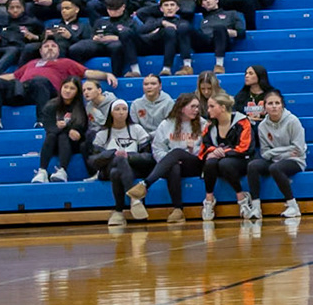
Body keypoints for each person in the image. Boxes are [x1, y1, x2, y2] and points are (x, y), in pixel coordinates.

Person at [0, 38, 112, 130]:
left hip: (47, 92)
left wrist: (106, 75)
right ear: (41, 51)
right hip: (22, 91)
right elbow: (13, 76)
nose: (50, 48)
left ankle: (42, 121)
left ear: (58, 50)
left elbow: (87, 73)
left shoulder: (66, 62)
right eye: (46, 46)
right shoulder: (32, 63)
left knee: (39, 81)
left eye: (53, 46)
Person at [136, 93, 206, 225]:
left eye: (197, 107)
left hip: (195, 163)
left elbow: (207, 150)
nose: (196, 110)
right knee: (174, 165)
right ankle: (178, 210)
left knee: (177, 152)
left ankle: (145, 184)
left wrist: (192, 150)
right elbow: (157, 149)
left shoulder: (203, 124)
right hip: (173, 164)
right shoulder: (166, 124)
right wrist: (169, 160)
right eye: (192, 106)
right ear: (182, 108)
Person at [91, 99, 155, 226]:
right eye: (117, 109)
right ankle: (134, 198)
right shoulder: (103, 134)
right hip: (107, 169)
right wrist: (113, 154)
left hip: (132, 168)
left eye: (124, 109)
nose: (121, 112)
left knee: (116, 173)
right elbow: (94, 161)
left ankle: (118, 212)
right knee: (118, 161)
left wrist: (128, 157)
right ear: (111, 113)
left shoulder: (137, 130)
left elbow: (149, 157)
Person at [247, 91, 307, 225]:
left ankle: (293, 206)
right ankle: (256, 207)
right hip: (274, 159)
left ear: (282, 106)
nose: (274, 106)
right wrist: (285, 151)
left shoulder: (293, 121)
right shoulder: (262, 126)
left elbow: (298, 149)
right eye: (270, 103)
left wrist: (276, 153)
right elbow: (265, 153)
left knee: (275, 168)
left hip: (295, 160)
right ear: (265, 107)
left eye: (277, 103)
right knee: (252, 166)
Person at [197, 94, 255, 223]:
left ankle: (242, 198)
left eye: (212, 106)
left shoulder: (242, 122)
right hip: (220, 159)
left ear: (222, 108)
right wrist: (213, 150)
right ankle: (209, 200)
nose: (208, 110)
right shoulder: (210, 125)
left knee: (225, 164)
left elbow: (245, 147)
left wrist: (223, 152)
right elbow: (204, 147)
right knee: (210, 163)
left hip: (241, 159)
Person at [34, 76, 87, 182]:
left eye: (72, 88)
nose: (67, 91)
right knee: (52, 136)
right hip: (54, 142)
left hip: (73, 143)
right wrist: (67, 129)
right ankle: (42, 171)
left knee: (63, 136)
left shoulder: (82, 107)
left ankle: (62, 170)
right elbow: (49, 127)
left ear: (77, 91)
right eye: (65, 87)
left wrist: (75, 133)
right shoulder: (51, 105)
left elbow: (81, 128)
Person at [130, 0, 192, 77]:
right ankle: (135, 71)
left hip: (172, 47)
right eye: (166, 5)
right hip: (151, 45)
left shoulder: (182, 23)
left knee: (171, 30)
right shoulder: (154, 20)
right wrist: (162, 23)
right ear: (161, 9)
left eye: (172, 5)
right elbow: (140, 25)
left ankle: (170, 68)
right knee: (128, 34)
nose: (169, 8)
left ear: (177, 8)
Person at [191, 0, 244, 74]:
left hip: (222, 41)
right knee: (186, 28)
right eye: (204, 0)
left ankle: (219, 65)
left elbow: (241, 33)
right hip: (206, 43)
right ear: (202, 5)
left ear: (217, 0)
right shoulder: (203, 20)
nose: (208, 1)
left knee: (219, 27)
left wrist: (228, 32)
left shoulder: (232, 14)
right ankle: (186, 66)